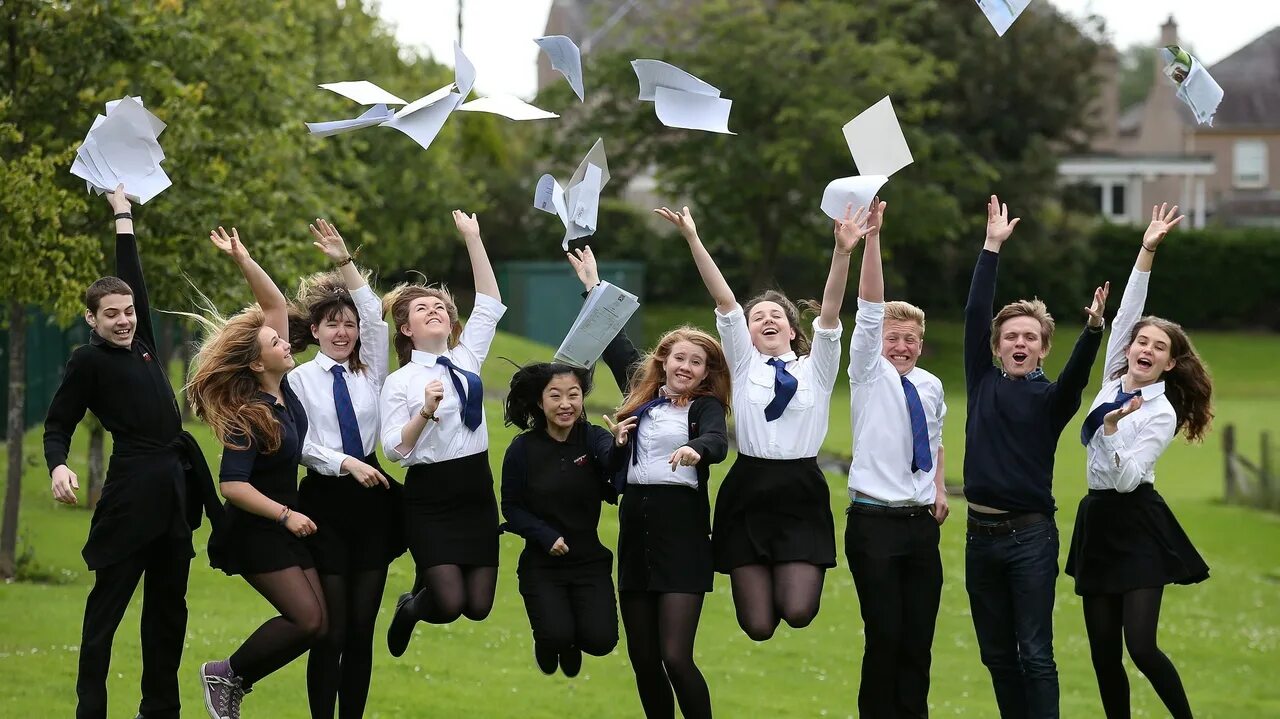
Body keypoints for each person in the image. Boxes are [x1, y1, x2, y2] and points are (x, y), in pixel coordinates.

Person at [44, 184, 221, 719]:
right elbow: (58, 423)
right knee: (105, 615)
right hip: (129, 501)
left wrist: (123, 213)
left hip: (173, 498)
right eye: (112, 314)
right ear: (93, 321)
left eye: (128, 311)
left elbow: (132, 271)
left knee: (168, 614)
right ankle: (89, 710)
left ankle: (160, 711)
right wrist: (57, 465)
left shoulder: (142, 343)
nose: (124, 319)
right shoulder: (88, 361)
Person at [659, 203, 865, 641]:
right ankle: (758, 568)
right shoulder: (743, 363)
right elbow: (724, 300)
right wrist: (693, 237)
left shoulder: (817, 368)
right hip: (748, 489)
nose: (767, 319)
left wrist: (843, 253)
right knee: (758, 626)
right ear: (747, 334)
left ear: (792, 330)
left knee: (798, 611)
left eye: (777, 316)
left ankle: (787, 568)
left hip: (801, 491)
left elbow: (829, 314)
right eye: (758, 318)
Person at [963, 195, 1108, 719]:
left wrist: (1093, 331)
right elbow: (977, 311)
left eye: (1030, 337)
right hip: (979, 537)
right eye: (1011, 337)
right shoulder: (980, 381)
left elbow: (1076, 379)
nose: (1019, 343)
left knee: (1035, 653)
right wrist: (991, 248)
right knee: (996, 654)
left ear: (1043, 347)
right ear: (997, 346)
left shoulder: (1051, 401)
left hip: (1030, 537)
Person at [1066, 204, 1212, 719]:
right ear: (1130, 350)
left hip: (1139, 520)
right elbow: (1128, 311)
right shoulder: (1111, 377)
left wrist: (1109, 430)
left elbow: (1128, 479)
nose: (1146, 348)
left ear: (1169, 363)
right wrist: (1146, 250)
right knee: (1105, 655)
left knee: (1141, 648)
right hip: (1098, 521)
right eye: (1142, 342)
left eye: (1159, 347)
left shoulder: (1161, 412)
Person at [573, 242, 730, 719]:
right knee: (643, 659)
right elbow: (614, 342)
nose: (685, 367)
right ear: (664, 361)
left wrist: (694, 449)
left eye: (696, 362)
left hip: (681, 535)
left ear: (706, 373)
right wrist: (592, 287)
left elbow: (718, 443)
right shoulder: (641, 398)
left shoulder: (704, 408)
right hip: (636, 530)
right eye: (678, 358)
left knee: (675, 657)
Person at [189, 226, 327, 719]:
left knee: (319, 624)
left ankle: (234, 679)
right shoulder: (249, 412)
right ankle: (226, 675)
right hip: (257, 528)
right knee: (308, 619)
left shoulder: (280, 390)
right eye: (278, 341)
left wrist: (244, 259)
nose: (288, 342)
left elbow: (271, 308)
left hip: (282, 525)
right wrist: (286, 515)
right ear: (256, 361)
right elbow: (232, 485)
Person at [288, 219, 402, 718]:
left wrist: (344, 262)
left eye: (348, 324)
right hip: (324, 503)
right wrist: (344, 462)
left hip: (373, 501)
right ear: (314, 331)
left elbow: (377, 318)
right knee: (330, 630)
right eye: (332, 324)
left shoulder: (370, 370)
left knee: (360, 628)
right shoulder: (296, 379)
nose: (343, 332)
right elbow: (298, 444)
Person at [382, 211, 506, 657]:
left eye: (439, 307)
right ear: (406, 328)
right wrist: (423, 413)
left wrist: (473, 237)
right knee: (449, 603)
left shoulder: (467, 356)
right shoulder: (399, 383)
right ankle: (410, 609)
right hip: (430, 497)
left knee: (478, 607)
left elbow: (489, 300)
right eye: (422, 309)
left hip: (475, 490)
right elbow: (394, 449)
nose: (434, 311)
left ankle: (421, 595)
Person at [844, 199, 947, 718]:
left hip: (919, 525)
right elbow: (868, 305)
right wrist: (874, 238)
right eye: (893, 338)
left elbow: (934, 439)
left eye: (910, 339)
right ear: (877, 344)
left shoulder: (930, 386)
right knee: (884, 636)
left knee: (918, 641)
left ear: (921, 346)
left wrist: (942, 488)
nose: (901, 346)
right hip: (874, 524)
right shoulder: (866, 373)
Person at [500, 361, 620, 678]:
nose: (565, 404)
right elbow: (510, 507)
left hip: (588, 561)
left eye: (573, 395)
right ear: (540, 402)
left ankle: (569, 641)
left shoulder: (593, 438)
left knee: (601, 641)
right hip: (542, 563)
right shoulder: (522, 450)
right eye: (555, 395)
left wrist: (621, 444)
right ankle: (553, 639)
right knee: (556, 633)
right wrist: (543, 535)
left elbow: (612, 463)